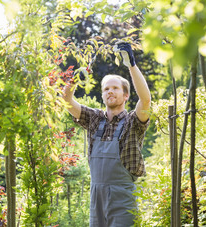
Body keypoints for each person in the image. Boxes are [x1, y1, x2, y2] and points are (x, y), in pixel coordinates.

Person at [62, 42, 151, 227]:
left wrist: (131, 65)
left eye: (115, 88)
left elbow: (146, 99)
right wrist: (75, 78)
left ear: (126, 95)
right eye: (106, 89)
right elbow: (67, 100)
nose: (110, 91)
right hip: (97, 198)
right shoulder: (95, 119)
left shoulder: (133, 122)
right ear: (103, 95)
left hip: (123, 197)